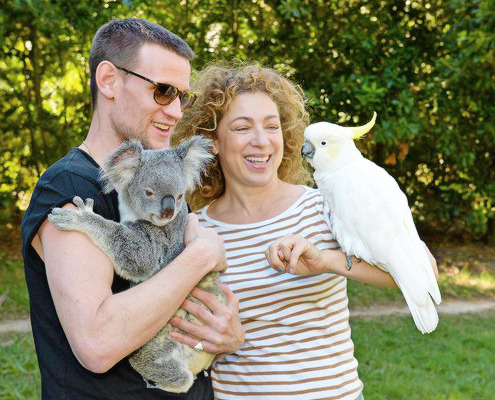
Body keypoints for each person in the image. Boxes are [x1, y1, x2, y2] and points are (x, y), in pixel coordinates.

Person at [170, 63, 438, 400]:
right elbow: (182, 338)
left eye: (272, 126)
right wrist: (221, 343)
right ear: (213, 142)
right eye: (242, 128)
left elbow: (424, 270)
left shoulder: (324, 205)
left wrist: (325, 260)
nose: (261, 140)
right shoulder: (195, 230)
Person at [21, 18, 244, 400]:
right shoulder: (70, 187)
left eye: (182, 97)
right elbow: (97, 343)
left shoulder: (160, 179)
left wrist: (227, 334)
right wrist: (202, 254)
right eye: (162, 91)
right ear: (108, 80)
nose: (175, 111)